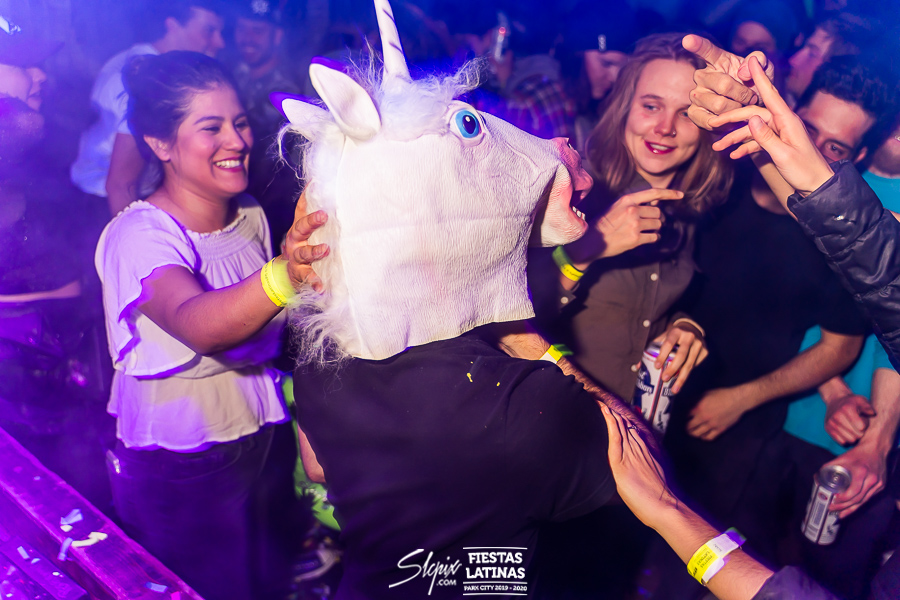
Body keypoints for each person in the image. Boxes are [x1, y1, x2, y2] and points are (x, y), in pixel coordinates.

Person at [95, 51, 324, 600]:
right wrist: (285, 274)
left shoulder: (248, 212)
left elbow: (270, 324)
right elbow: (198, 324)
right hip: (183, 457)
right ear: (160, 143)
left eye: (239, 122)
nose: (237, 140)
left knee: (265, 580)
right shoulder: (140, 235)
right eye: (211, 127)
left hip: (261, 427)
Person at [530, 32, 732, 405]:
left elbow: (664, 304)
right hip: (562, 415)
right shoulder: (571, 191)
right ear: (624, 107)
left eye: (686, 113)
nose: (665, 128)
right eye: (651, 106)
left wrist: (685, 324)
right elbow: (515, 318)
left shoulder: (691, 211)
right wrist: (588, 248)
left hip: (637, 427)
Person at [0, 16, 114, 512]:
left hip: (58, 395)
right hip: (19, 411)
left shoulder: (31, 154)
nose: (41, 75)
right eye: (23, 64)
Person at [70, 0, 225, 220]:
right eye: (208, 30)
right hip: (107, 206)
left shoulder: (134, 59)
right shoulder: (146, 78)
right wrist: (133, 237)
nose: (220, 42)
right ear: (172, 26)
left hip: (104, 198)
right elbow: (121, 184)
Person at [232, 0, 303, 252]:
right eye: (242, 29)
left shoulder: (289, 90)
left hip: (268, 208)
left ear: (277, 36)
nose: (247, 38)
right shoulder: (231, 73)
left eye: (257, 31)